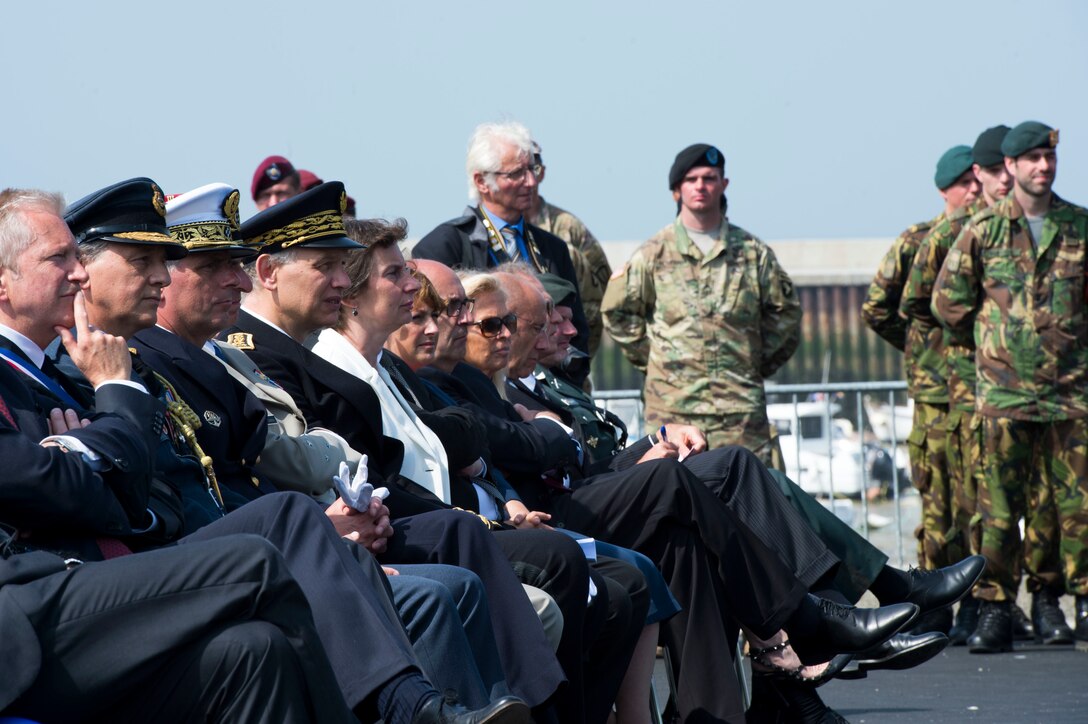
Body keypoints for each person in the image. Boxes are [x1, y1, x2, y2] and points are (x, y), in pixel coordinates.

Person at [0, 185, 530, 724]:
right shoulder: (97, 370)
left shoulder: (91, 368)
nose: (78, 276)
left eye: (166, 262)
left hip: (145, 558)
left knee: (263, 641)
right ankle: (412, 706)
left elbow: (150, 485)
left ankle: (454, 707)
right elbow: (56, 485)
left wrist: (93, 455)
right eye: (144, 261)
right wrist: (109, 428)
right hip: (69, 591)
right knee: (303, 537)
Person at [415, 259, 922, 724]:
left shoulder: (498, 382)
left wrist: (649, 444)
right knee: (685, 478)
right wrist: (552, 433)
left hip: (570, 499)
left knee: (702, 514)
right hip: (543, 519)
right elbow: (510, 445)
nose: (504, 335)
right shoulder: (455, 380)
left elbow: (565, 457)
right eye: (490, 324)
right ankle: (810, 618)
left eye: (508, 323)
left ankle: (717, 712)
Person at [219, 184, 623, 724]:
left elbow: (431, 439)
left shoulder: (319, 356)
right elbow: (300, 461)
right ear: (270, 273)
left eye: (346, 266)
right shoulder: (258, 352)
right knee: (483, 563)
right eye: (327, 266)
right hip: (328, 539)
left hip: (366, 524)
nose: (342, 280)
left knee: (611, 576)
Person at [933, 121, 1088, 651]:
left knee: (1078, 506)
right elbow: (947, 305)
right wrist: (995, 344)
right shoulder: (983, 229)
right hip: (1003, 396)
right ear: (1013, 167)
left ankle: (1080, 602)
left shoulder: (1079, 226)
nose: (1043, 166)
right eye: (1032, 159)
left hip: (1071, 395)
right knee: (998, 509)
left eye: (1049, 158)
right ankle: (995, 608)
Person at [899, 127, 1033, 646]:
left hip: (1009, 391)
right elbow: (903, 306)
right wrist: (943, 351)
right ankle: (937, 608)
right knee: (946, 505)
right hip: (947, 390)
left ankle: (993, 602)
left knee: (999, 502)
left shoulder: (1021, 232)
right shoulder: (934, 237)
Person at [602, 142, 801, 465]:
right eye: (691, 179)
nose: (701, 186)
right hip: (675, 410)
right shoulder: (654, 253)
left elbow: (787, 316)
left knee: (752, 504)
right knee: (675, 504)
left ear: (723, 185)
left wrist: (749, 363)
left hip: (740, 414)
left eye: (709, 178)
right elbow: (618, 313)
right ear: (676, 191)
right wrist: (659, 363)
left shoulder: (752, 253)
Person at [862, 145, 981, 637]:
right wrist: (917, 350)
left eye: (979, 181)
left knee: (982, 500)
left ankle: (982, 601)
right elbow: (879, 306)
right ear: (945, 189)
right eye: (965, 183)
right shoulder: (918, 240)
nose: (974, 190)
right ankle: (934, 603)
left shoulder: (989, 237)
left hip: (982, 389)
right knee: (938, 502)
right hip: (935, 391)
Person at [411, 121, 591, 384]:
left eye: (533, 169)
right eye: (516, 173)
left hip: (547, 388)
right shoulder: (444, 245)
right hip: (475, 387)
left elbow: (578, 330)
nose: (530, 181)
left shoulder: (553, 248)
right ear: (482, 181)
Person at [527, 139, 611, 359]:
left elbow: (604, 294)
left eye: (532, 169)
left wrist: (577, 354)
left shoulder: (567, 228)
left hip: (564, 361)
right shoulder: (481, 232)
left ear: (542, 173)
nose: (526, 180)